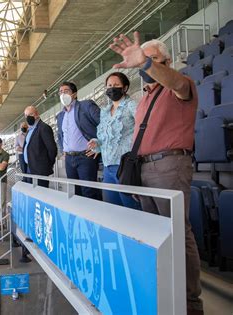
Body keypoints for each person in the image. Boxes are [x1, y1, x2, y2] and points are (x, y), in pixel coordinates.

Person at [109, 31, 202, 315]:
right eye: (143, 62)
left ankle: (189, 302)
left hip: (169, 166)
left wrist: (146, 63)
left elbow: (175, 82)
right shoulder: (146, 98)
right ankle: (163, 292)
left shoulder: (181, 85)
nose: (145, 67)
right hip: (145, 169)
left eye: (152, 61)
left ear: (167, 61)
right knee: (153, 232)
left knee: (176, 231)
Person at [86, 72, 141, 209]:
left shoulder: (131, 105)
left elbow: (143, 129)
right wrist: (96, 143)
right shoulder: (104, 111)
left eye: (116, 85)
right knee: (112, 209)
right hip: (108, 166)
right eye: (109, 85)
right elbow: (102, 138)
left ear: (125, 88)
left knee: (131, 209)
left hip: (125, 166)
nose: (112, 88)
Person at [56, 82, 101, 200]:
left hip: (85, 156)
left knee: (89, 192)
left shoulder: (86, 106)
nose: (62, 94)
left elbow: (103, 123)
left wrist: (99, 143)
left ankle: (92, 216)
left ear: (74, 94)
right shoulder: (60, 116)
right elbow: (60, 135)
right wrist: (63, 150)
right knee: (75, 192)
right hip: (69, 159)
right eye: (60, 92)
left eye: (66, 91)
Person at [23, 105, 57, 188]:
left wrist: (46, 165)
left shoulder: (44, 128)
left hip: (40, 170)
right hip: (29, 168)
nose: (28, 117)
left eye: (30, 114)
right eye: (26, 116)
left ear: (37, 114)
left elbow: (52, 149)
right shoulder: (29, 130)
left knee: (40, 194)